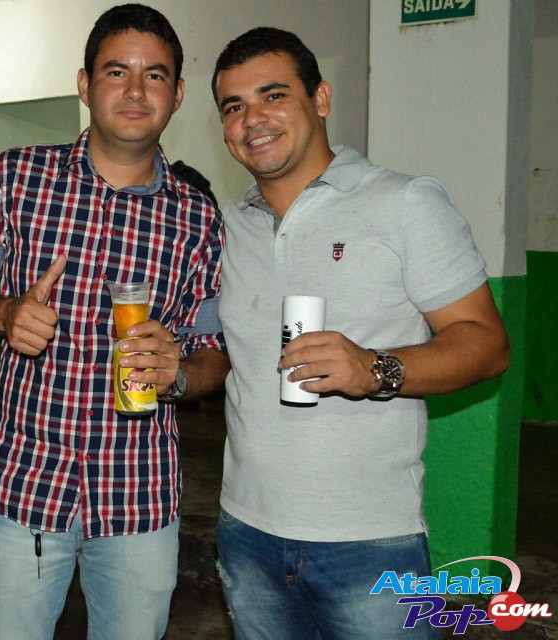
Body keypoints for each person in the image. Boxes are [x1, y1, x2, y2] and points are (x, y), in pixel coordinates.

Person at [0, 5, 230, 639]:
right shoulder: (17, 177)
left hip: (139, 495)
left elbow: (213, 353)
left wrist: (179, 374)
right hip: (25, 485)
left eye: (155, 76)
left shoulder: (199, 218)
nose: (135, 91)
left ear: (178, 94)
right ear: (84, 84)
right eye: (116, 72)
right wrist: (4, 312)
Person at [210, 27, 510, 639]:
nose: (253, 119)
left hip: (369, 541)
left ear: (320, 98)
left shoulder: (405, 203)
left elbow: (487, 343)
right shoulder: (229, 227)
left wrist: (376, 369)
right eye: (234, 106)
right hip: (245, 531)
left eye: (273, 95)